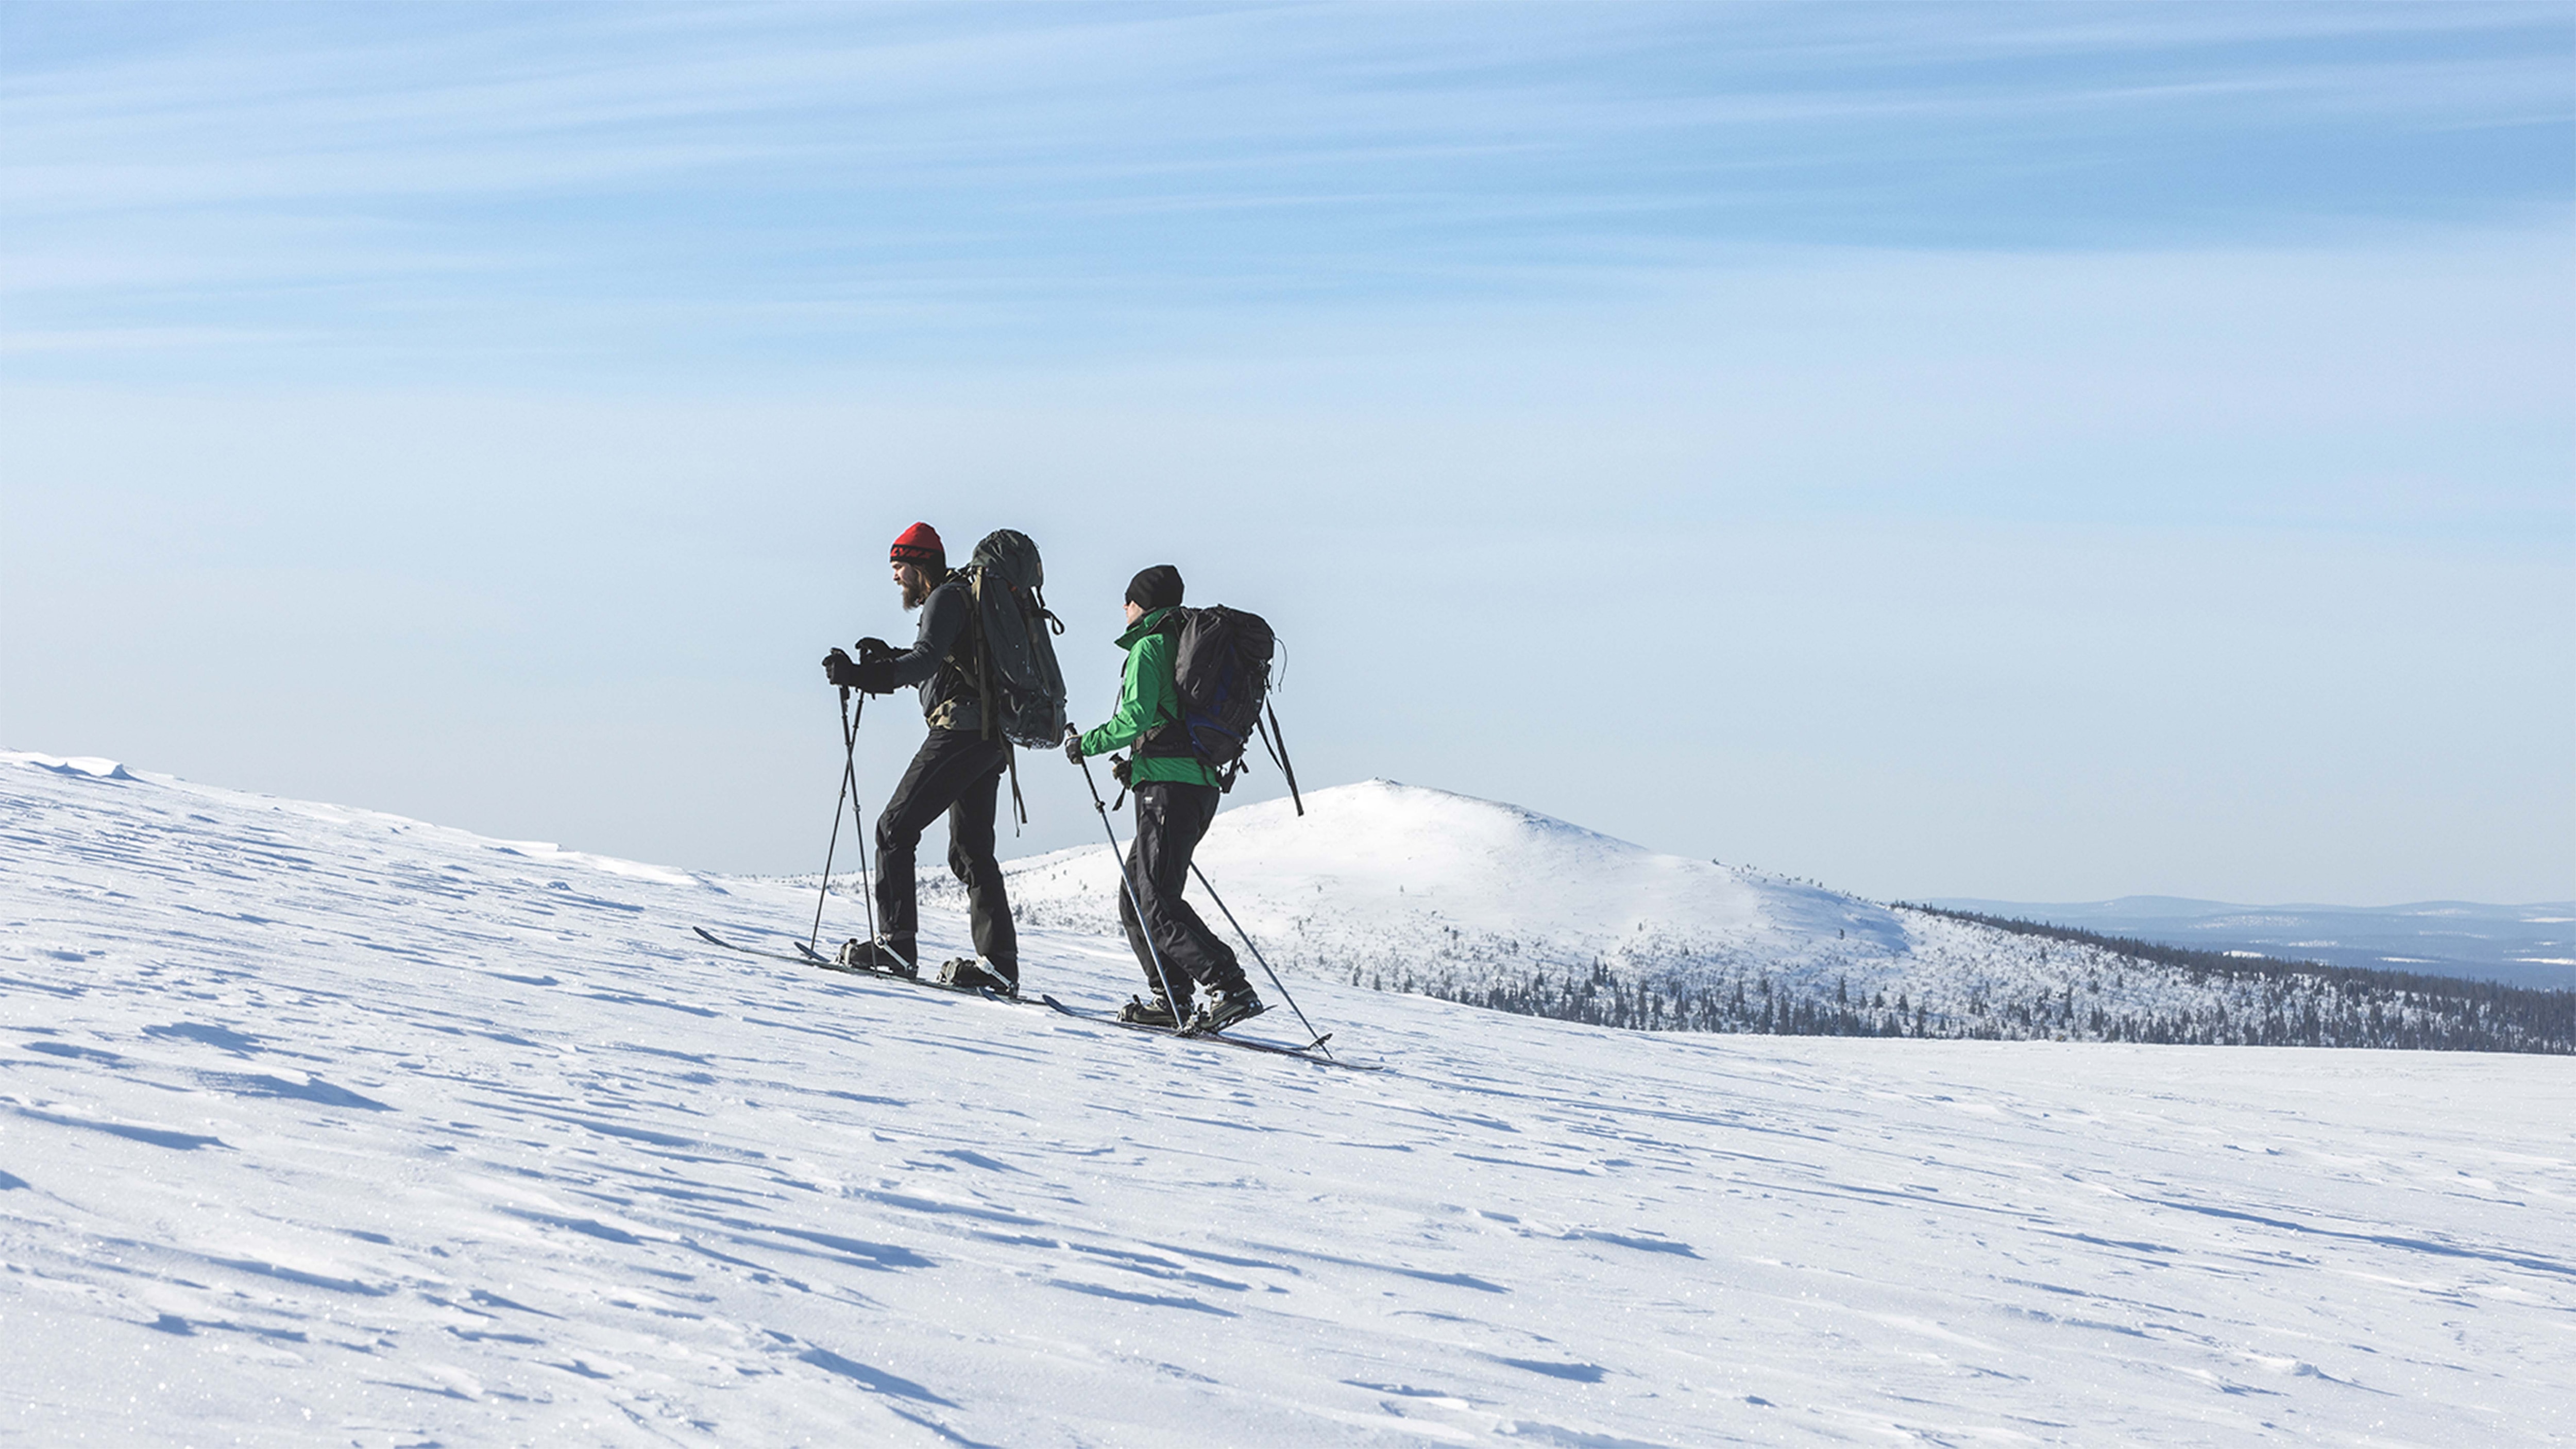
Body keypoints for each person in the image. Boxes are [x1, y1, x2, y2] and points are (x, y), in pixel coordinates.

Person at [1063, 565, 1265, 1033]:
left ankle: (1228, 985)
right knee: (1137, 896)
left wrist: (1085, 745)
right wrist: (1134, 766)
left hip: (1168, 793)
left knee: (1156, 900)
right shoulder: (1183, 645)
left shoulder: (1151, 646)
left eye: (1128, 600)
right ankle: (1171, 997)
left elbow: (1136, 716)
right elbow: (1169, 723)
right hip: (1192, 785)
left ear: (1144, 605)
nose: (1124, 608)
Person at [821, 522, 1018, 995]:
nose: (895, 577)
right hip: (989, 738)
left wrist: (864, 675)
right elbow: (942, 660)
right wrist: (887, 657)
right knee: (971, 850)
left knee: (895, 828)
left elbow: (926, 662)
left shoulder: (945, 598)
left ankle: (895, 944)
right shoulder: (961, 600)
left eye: (898, 567)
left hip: (961, 732)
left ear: (919, 564)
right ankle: (999, 965)